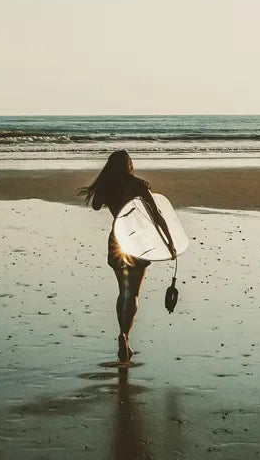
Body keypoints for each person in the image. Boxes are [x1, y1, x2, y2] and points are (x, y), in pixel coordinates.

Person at [80, 150, 175, 362]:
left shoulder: (108, 187)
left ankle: (123, 335)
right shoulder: (139, 186)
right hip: (137, 243)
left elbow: (95, 206)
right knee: (133, 294)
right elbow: (157, 216)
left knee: (122, 291)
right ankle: (125, 335)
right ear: (129, 165)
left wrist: (105, 185)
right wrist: (170, 242)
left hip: (117, 240)